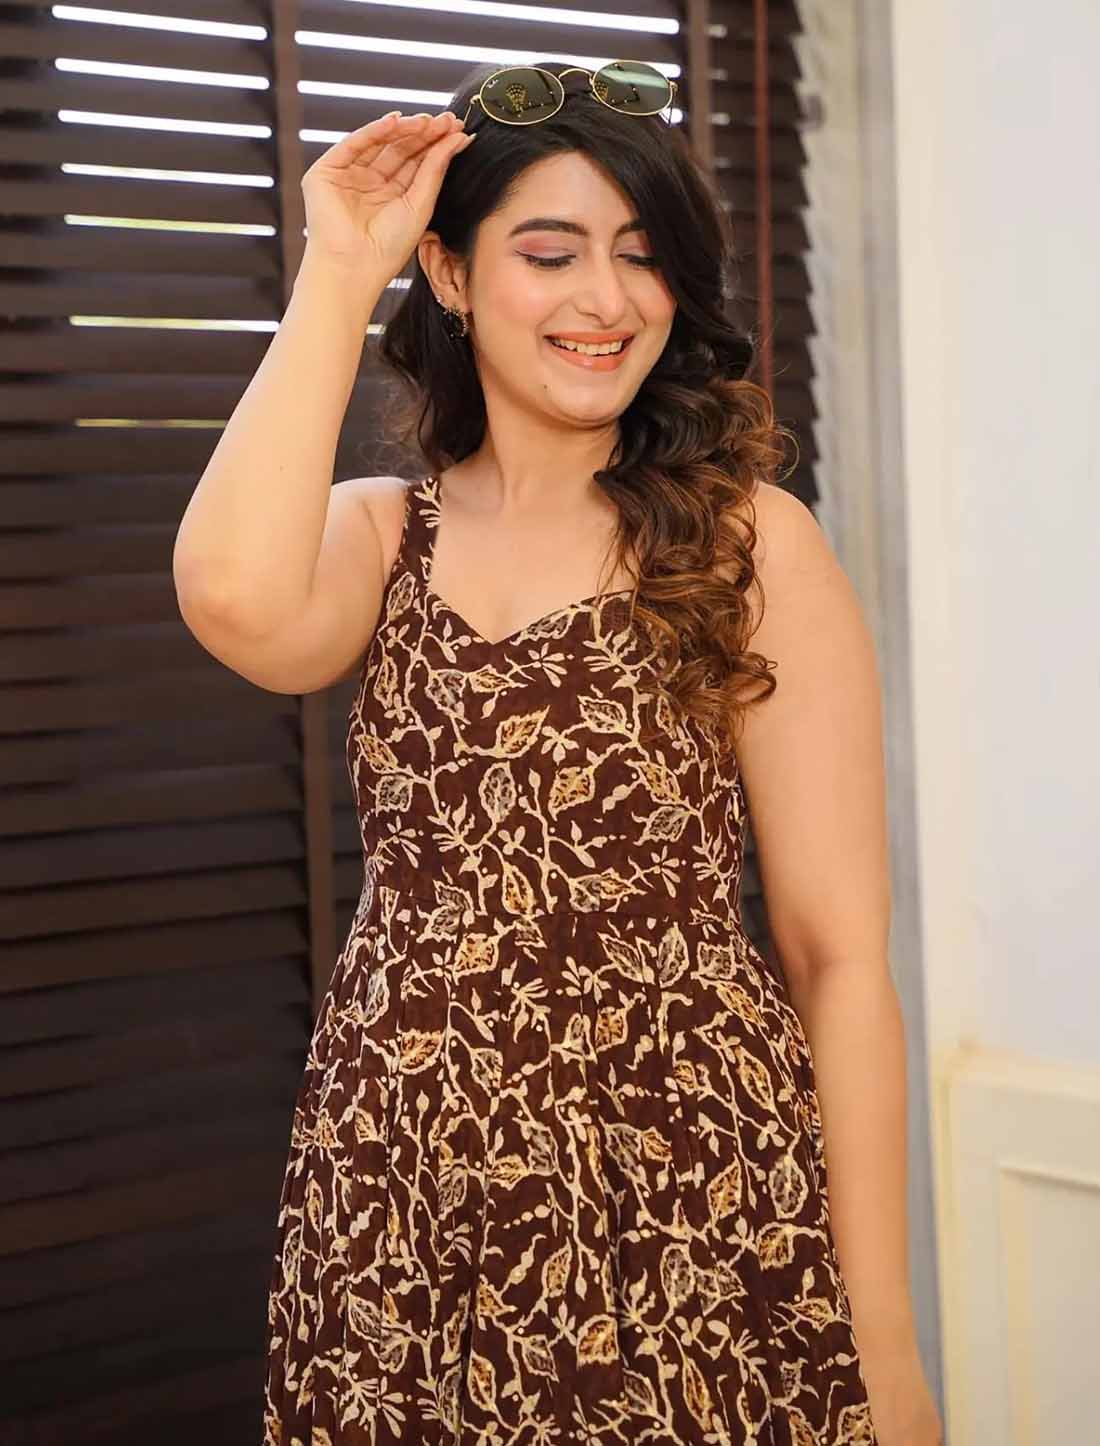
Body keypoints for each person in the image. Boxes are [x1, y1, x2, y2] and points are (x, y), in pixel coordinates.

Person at [173, 57, 941, 1446]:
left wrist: (879, 1326)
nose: (608, 298)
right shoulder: (380, 535)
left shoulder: (747, 541)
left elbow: (838, 958)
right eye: (550, 253)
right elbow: (234, 600)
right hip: (401, 1202)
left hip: (693, 1194)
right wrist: (340, 272)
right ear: (452, 275)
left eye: (643, 255)